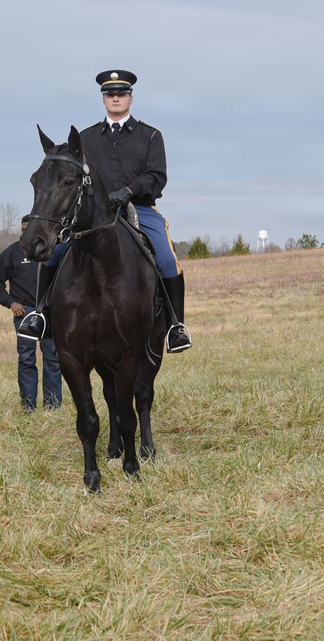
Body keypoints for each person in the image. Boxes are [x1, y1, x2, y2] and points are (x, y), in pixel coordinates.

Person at [18, 70, 192, 353]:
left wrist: (128, 191)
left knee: (167, 258)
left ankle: (176, 327)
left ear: (131, 98)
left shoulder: (150, 135)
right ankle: (40, 315)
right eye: (110, 94)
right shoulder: (85, 138)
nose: (115, 98)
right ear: (103, 99)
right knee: (54, 253)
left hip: (139, 208)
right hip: (94, 213)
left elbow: (156, 176)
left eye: (121, 93)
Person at [0, 216, 61, 410]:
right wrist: (11, 303)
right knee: (26, 359)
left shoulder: (51, 250)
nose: (25, 231)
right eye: (23, 228)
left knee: (53, 359)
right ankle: (28, 407)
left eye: (29, 228)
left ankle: (52, 407)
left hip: (50, 312)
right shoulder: (11, 253)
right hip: (24, 313)